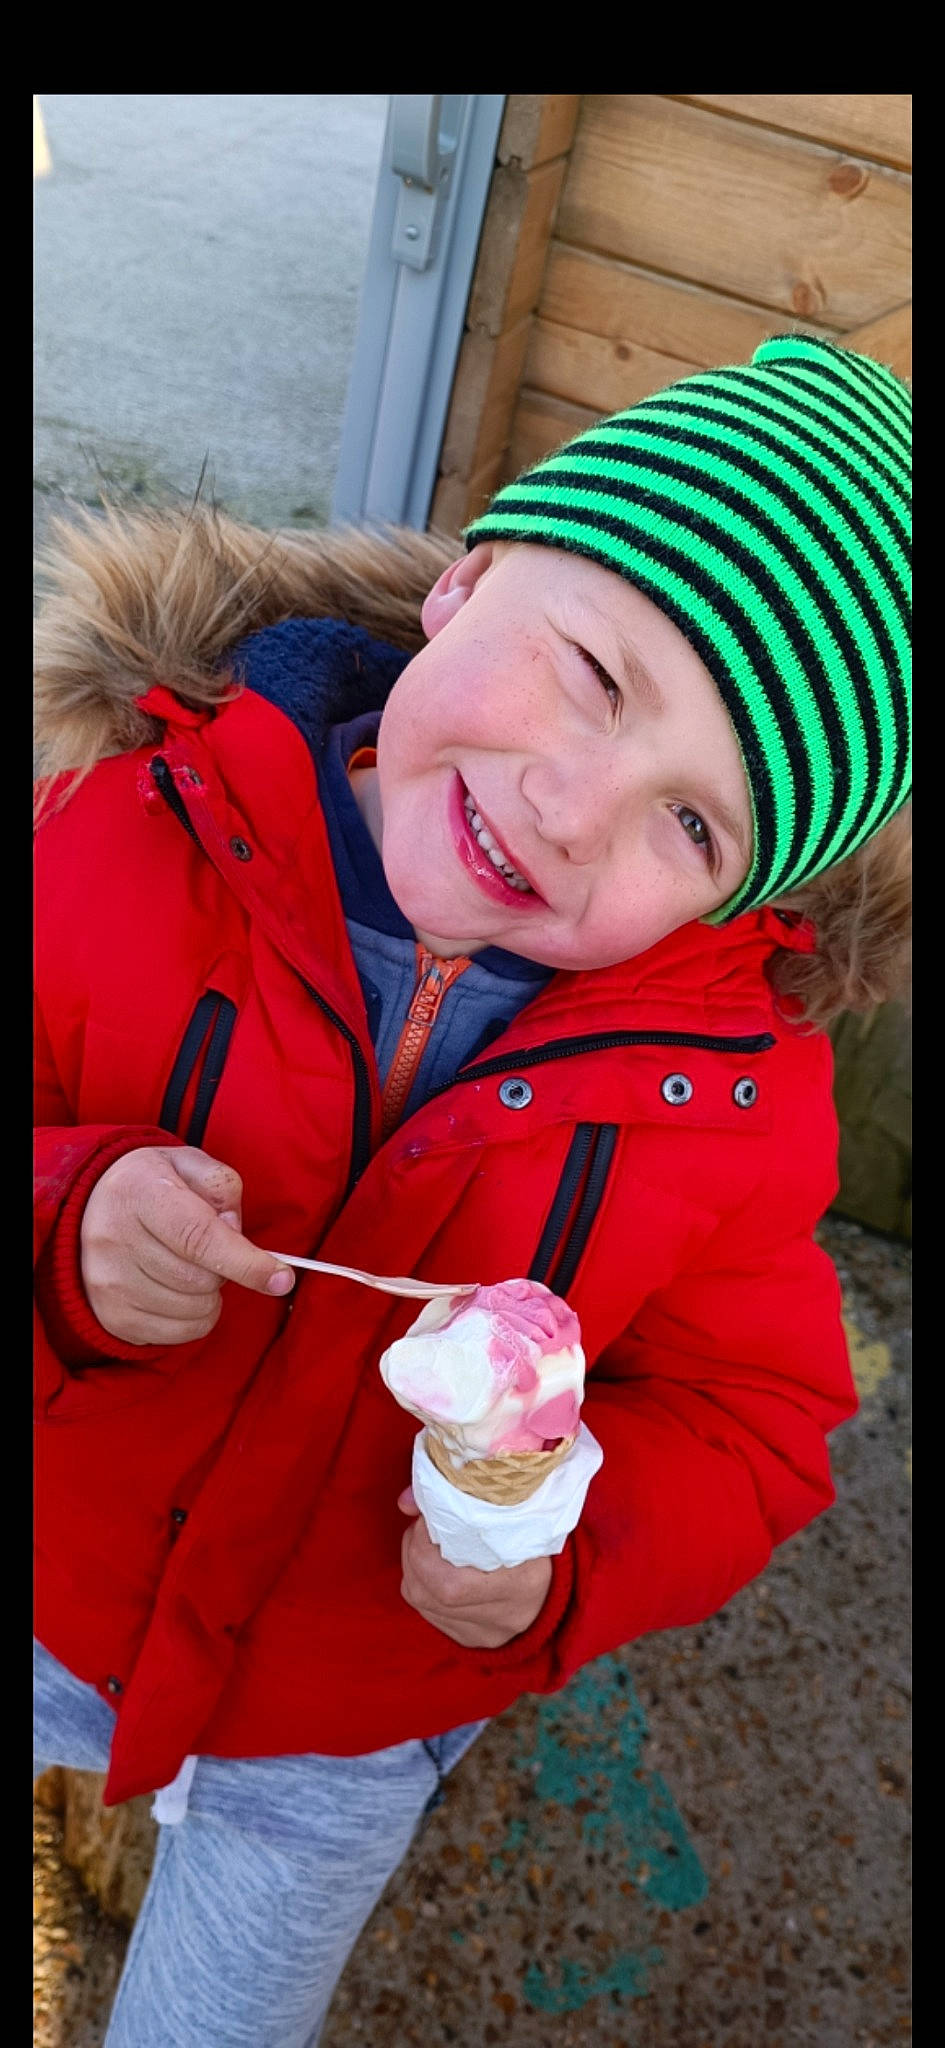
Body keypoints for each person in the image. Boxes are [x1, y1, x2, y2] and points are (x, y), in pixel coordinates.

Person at [34, 333, 911, 2046]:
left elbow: (752, 1415)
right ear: (472, 579)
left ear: (748, 901)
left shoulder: (731, 1108)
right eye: (594, 673)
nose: (579, 810)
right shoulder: (111, 838)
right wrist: (65, 1210)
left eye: (697, 827)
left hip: (341, 1718)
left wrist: (548, 1556)